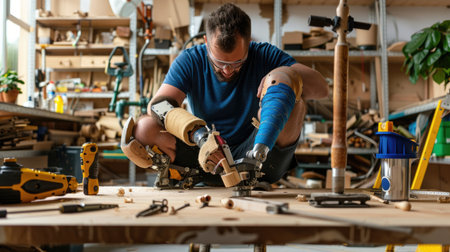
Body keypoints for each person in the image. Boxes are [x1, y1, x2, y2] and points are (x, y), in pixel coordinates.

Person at [133, 3, 328, 185]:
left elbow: (321, 89)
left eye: (237, 63)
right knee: (144, 127)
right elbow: (158, 106)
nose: (227, 70)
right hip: (205, 156)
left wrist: (284, 74)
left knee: (292, 94)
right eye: (220, 63)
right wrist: (199, 136)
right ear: (206, 42)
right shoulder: (190, 60)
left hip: (257, 157)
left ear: (249, 43)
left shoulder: (264, 54)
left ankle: (257, 160)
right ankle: (182, 175)